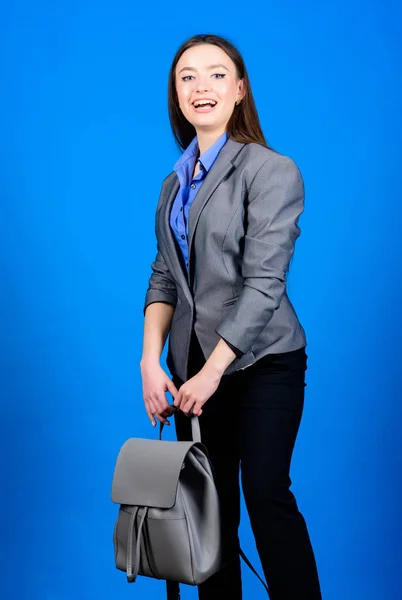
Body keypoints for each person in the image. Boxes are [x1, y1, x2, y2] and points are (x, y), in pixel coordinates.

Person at [140, 33, 322, 600]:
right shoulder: (174, 185)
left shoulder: (272, 170)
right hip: (194, 372)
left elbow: (263, 284)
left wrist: (213, 370)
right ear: (176, 93)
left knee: (266, 495)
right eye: (187, 76)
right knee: (211, 517)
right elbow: (165, 276)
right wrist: (150, 360)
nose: (202, 87)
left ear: (240, 90)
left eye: (217, 74)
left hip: (263, 362)